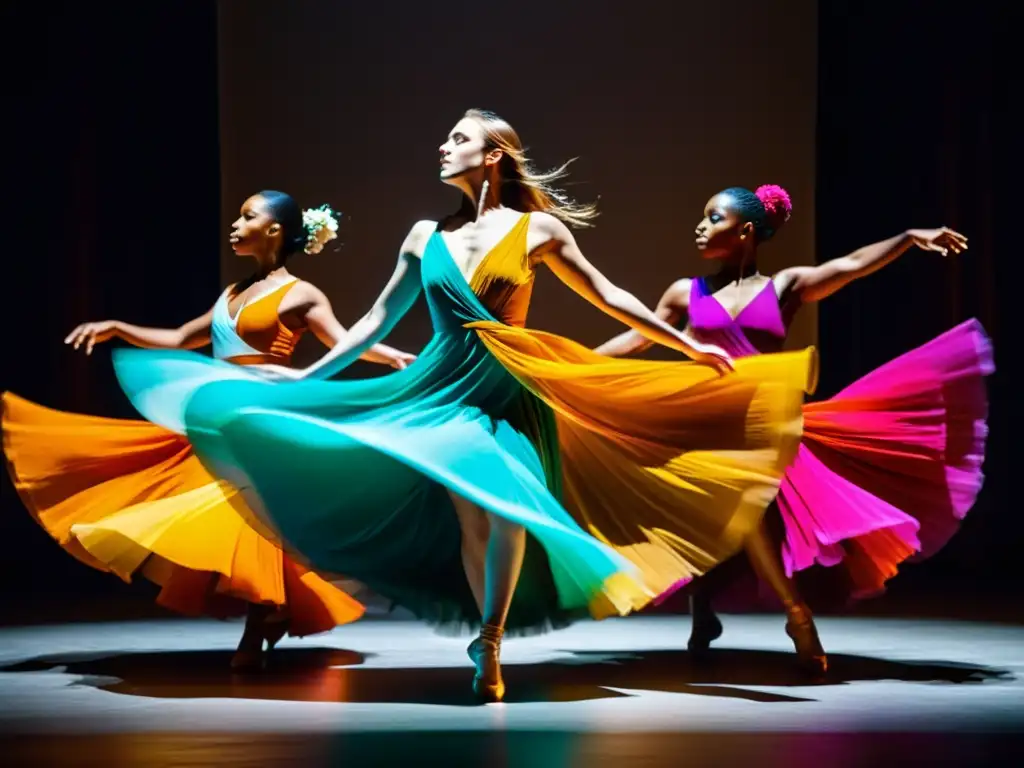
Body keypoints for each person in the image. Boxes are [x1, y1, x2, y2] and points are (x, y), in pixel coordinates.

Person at [110, 109, 816, 702]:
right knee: (473, 507)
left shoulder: (539, 232)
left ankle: (491, 639)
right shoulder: (425, 235)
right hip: (444, 386)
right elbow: (375, 323)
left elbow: (611, 297)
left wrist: (686, 346)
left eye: (457, 139)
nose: (443, 147)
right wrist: (312, 378)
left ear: (493, 155)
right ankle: (490, 633)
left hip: (509, 386)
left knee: (503, 501)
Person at [3, 190, 416, 670]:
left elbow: (345, 342)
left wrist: (390, 357)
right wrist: (118, 326)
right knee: (211, 507)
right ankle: (267, 615)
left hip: (262, 416)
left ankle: (258, 624)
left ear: (276, 230)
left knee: (252, 516)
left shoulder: (301, 294)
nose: (235, 225)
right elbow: (180, 338)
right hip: (217, 417)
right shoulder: (231, 294)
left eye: (247, 217)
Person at [594, 184, 992, 676]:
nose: (699, 226)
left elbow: (850, 265)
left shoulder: (784, 287)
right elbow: (637, 338)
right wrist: (570, 364)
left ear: (744, 232)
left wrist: (908, 237)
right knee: (714, 516)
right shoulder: (684, 293)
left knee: (747, 514)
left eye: (712, 217)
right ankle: (738, 610)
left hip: (767, 428)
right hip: (706, 426)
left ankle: (788, 614)